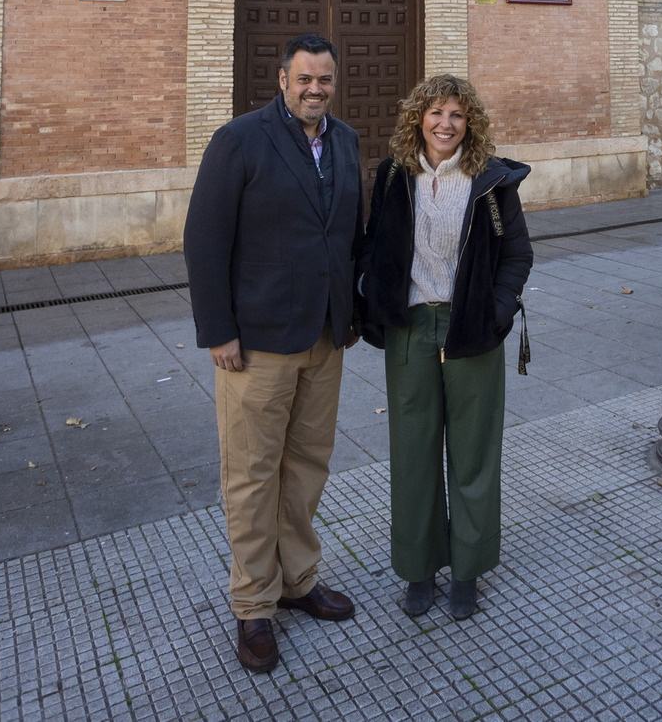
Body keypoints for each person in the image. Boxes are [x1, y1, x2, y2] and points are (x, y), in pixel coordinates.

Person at [184, 34, 364, 674]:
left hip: (323, 338)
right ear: (282, 78)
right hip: (255, 344)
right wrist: (218, 331)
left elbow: (348, 237)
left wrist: (354, 315)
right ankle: (254, 605)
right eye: (304, 79)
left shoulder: (344, 141)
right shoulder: (240, 140)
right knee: (252, 474)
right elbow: (203, 239)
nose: (315, 90)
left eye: (325, 81)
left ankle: (298, 580)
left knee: (308, 465)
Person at [358, 74, 533, 620]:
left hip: (471, 333)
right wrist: (375, 297)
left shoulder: (492, 181)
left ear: (469, 123)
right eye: (435, 113)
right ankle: (418, 568)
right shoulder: (392, 176)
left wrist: (495, 311)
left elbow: (518, 257)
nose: (445, 124)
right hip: (411, 330)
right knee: (413, 455)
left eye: (456, 115)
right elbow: (372, 247)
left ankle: (467, 569)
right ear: (418, 118)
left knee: (474, 454)